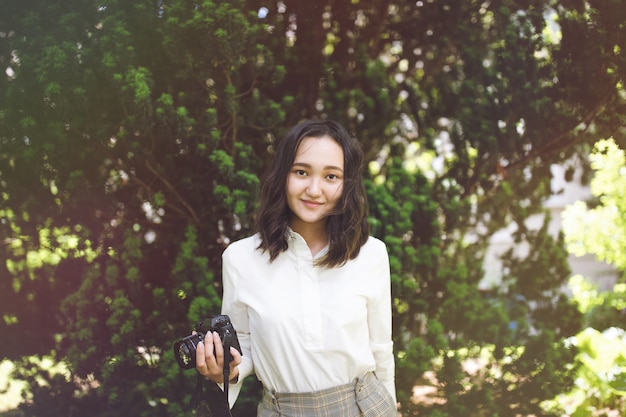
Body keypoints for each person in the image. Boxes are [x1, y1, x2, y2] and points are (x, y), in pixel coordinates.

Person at [195, 119, 397, 416]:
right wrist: (225, 371)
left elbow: (381, 347)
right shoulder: (241, 259)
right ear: (282, 175)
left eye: (331, 176)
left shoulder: (370, 254)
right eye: (301, 172)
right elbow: (244, 344)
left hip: (364, 407)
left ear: (346, 185)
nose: (314, 189)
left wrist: (391, 405)